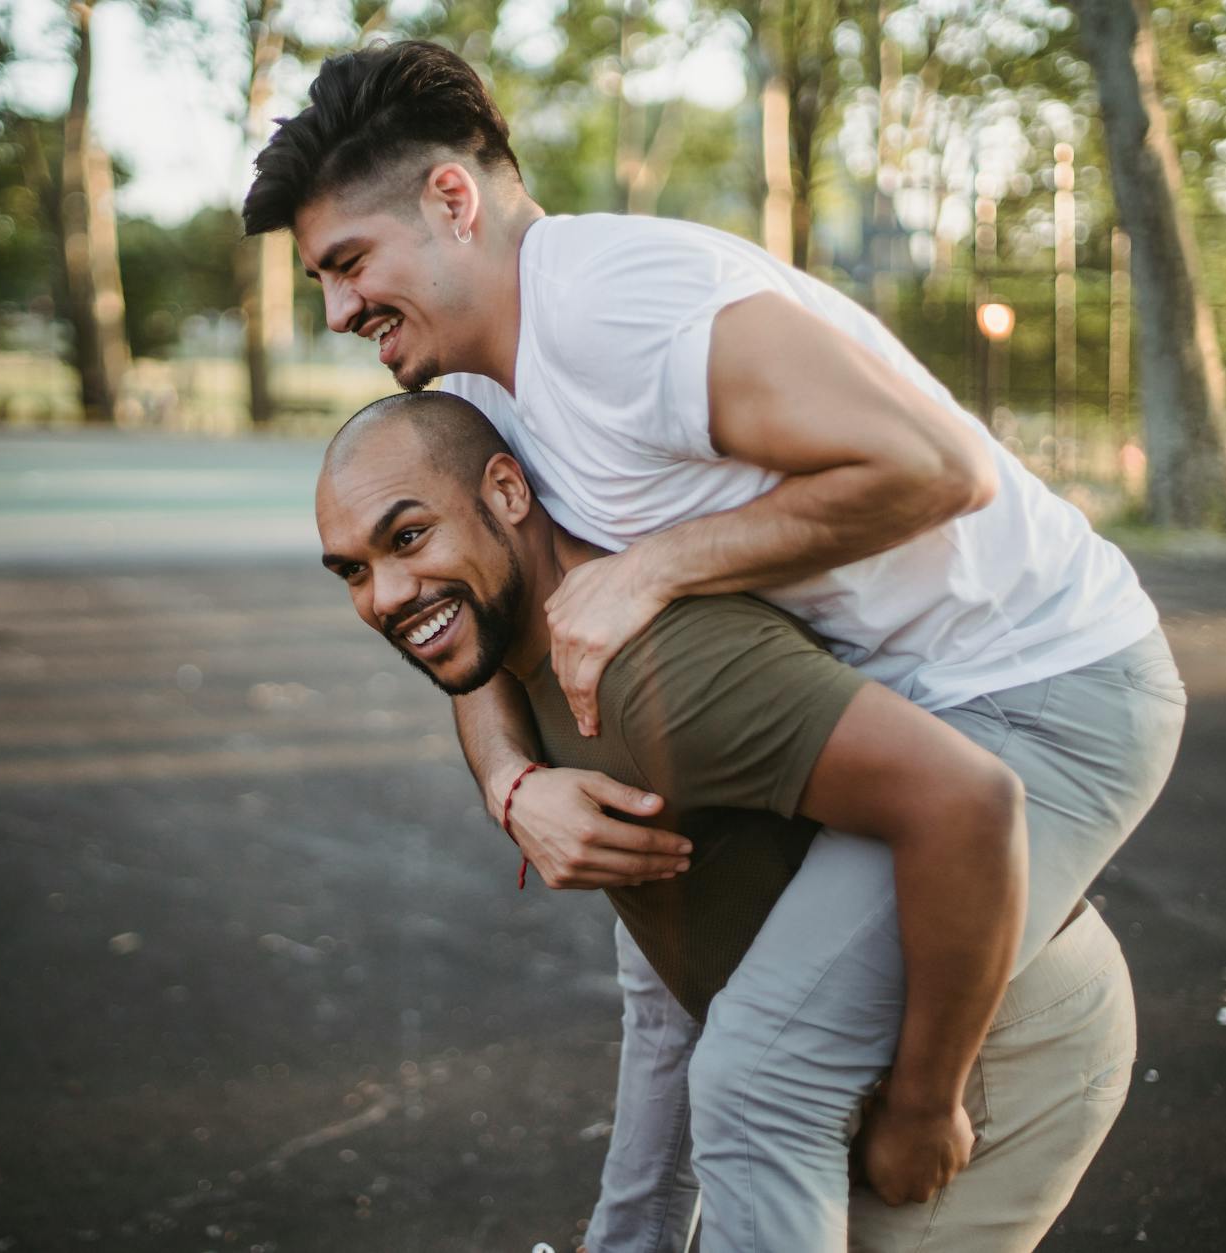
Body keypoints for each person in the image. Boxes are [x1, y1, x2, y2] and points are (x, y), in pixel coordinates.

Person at [247, 40, 1187, 1249]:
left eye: (347, 263)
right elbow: (471, 613)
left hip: (1044, 685)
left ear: (450, 200)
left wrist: (921, 1099)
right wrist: (511, 780)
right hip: (895, 688)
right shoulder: (482, 393)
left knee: (760, 1075)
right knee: (674, 959)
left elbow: (934, 467)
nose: (334, 311)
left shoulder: (619, 302)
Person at [313, 392, 1140, 1252]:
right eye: (353, 571)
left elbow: (971, 802)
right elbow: (666, 1009)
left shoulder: (657, 676)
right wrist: (510, 783)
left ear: (510, 493)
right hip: (839, 1056)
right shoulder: (509, 636)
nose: (386, 596)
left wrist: (926, 1106)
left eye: (408, 538)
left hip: (996, 1037)